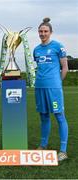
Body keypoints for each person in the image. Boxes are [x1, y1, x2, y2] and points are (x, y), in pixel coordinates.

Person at [33, 18, 68, 161]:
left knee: (59, 116)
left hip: (54, 88)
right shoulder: (36, 50)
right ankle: (43, 145)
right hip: (39, 87)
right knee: (44, 116)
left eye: (45, 31)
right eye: (40, 31)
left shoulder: (58, 46)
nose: (43, 33)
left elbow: (64, 67)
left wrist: (58, 82)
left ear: (50, 32)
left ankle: (63, 151)